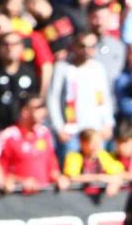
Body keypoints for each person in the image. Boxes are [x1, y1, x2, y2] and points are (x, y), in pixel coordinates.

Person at [47, 32, 116, 161]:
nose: (86, 51)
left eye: (90, 47)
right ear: (74, 47)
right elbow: (53, 99)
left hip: (96, 130)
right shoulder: (63, 68)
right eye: (82, 46)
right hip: (72, 131)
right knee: (72, 168)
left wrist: (108, 123)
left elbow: (105, 98)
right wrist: (59, 127)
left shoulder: (98, 68)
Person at [0, 95, 68, 193]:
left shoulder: (44, 134)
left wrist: (59, 178)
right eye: (38, 108)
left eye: (43, 108)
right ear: (25, 111)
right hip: (18, 201)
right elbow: (0, 171)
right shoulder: (10, 136)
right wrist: (21, 181)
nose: (43, 112)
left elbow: (52, 166)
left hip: (44, 198)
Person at [62, 128, 125, 197]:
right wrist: (98, 178)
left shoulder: (102, 155)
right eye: (92, 142)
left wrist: (114, 183)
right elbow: (72, 177)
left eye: (99, 142)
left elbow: (119, 172)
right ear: (82, 143)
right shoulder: (74, 157)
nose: (96, 146)